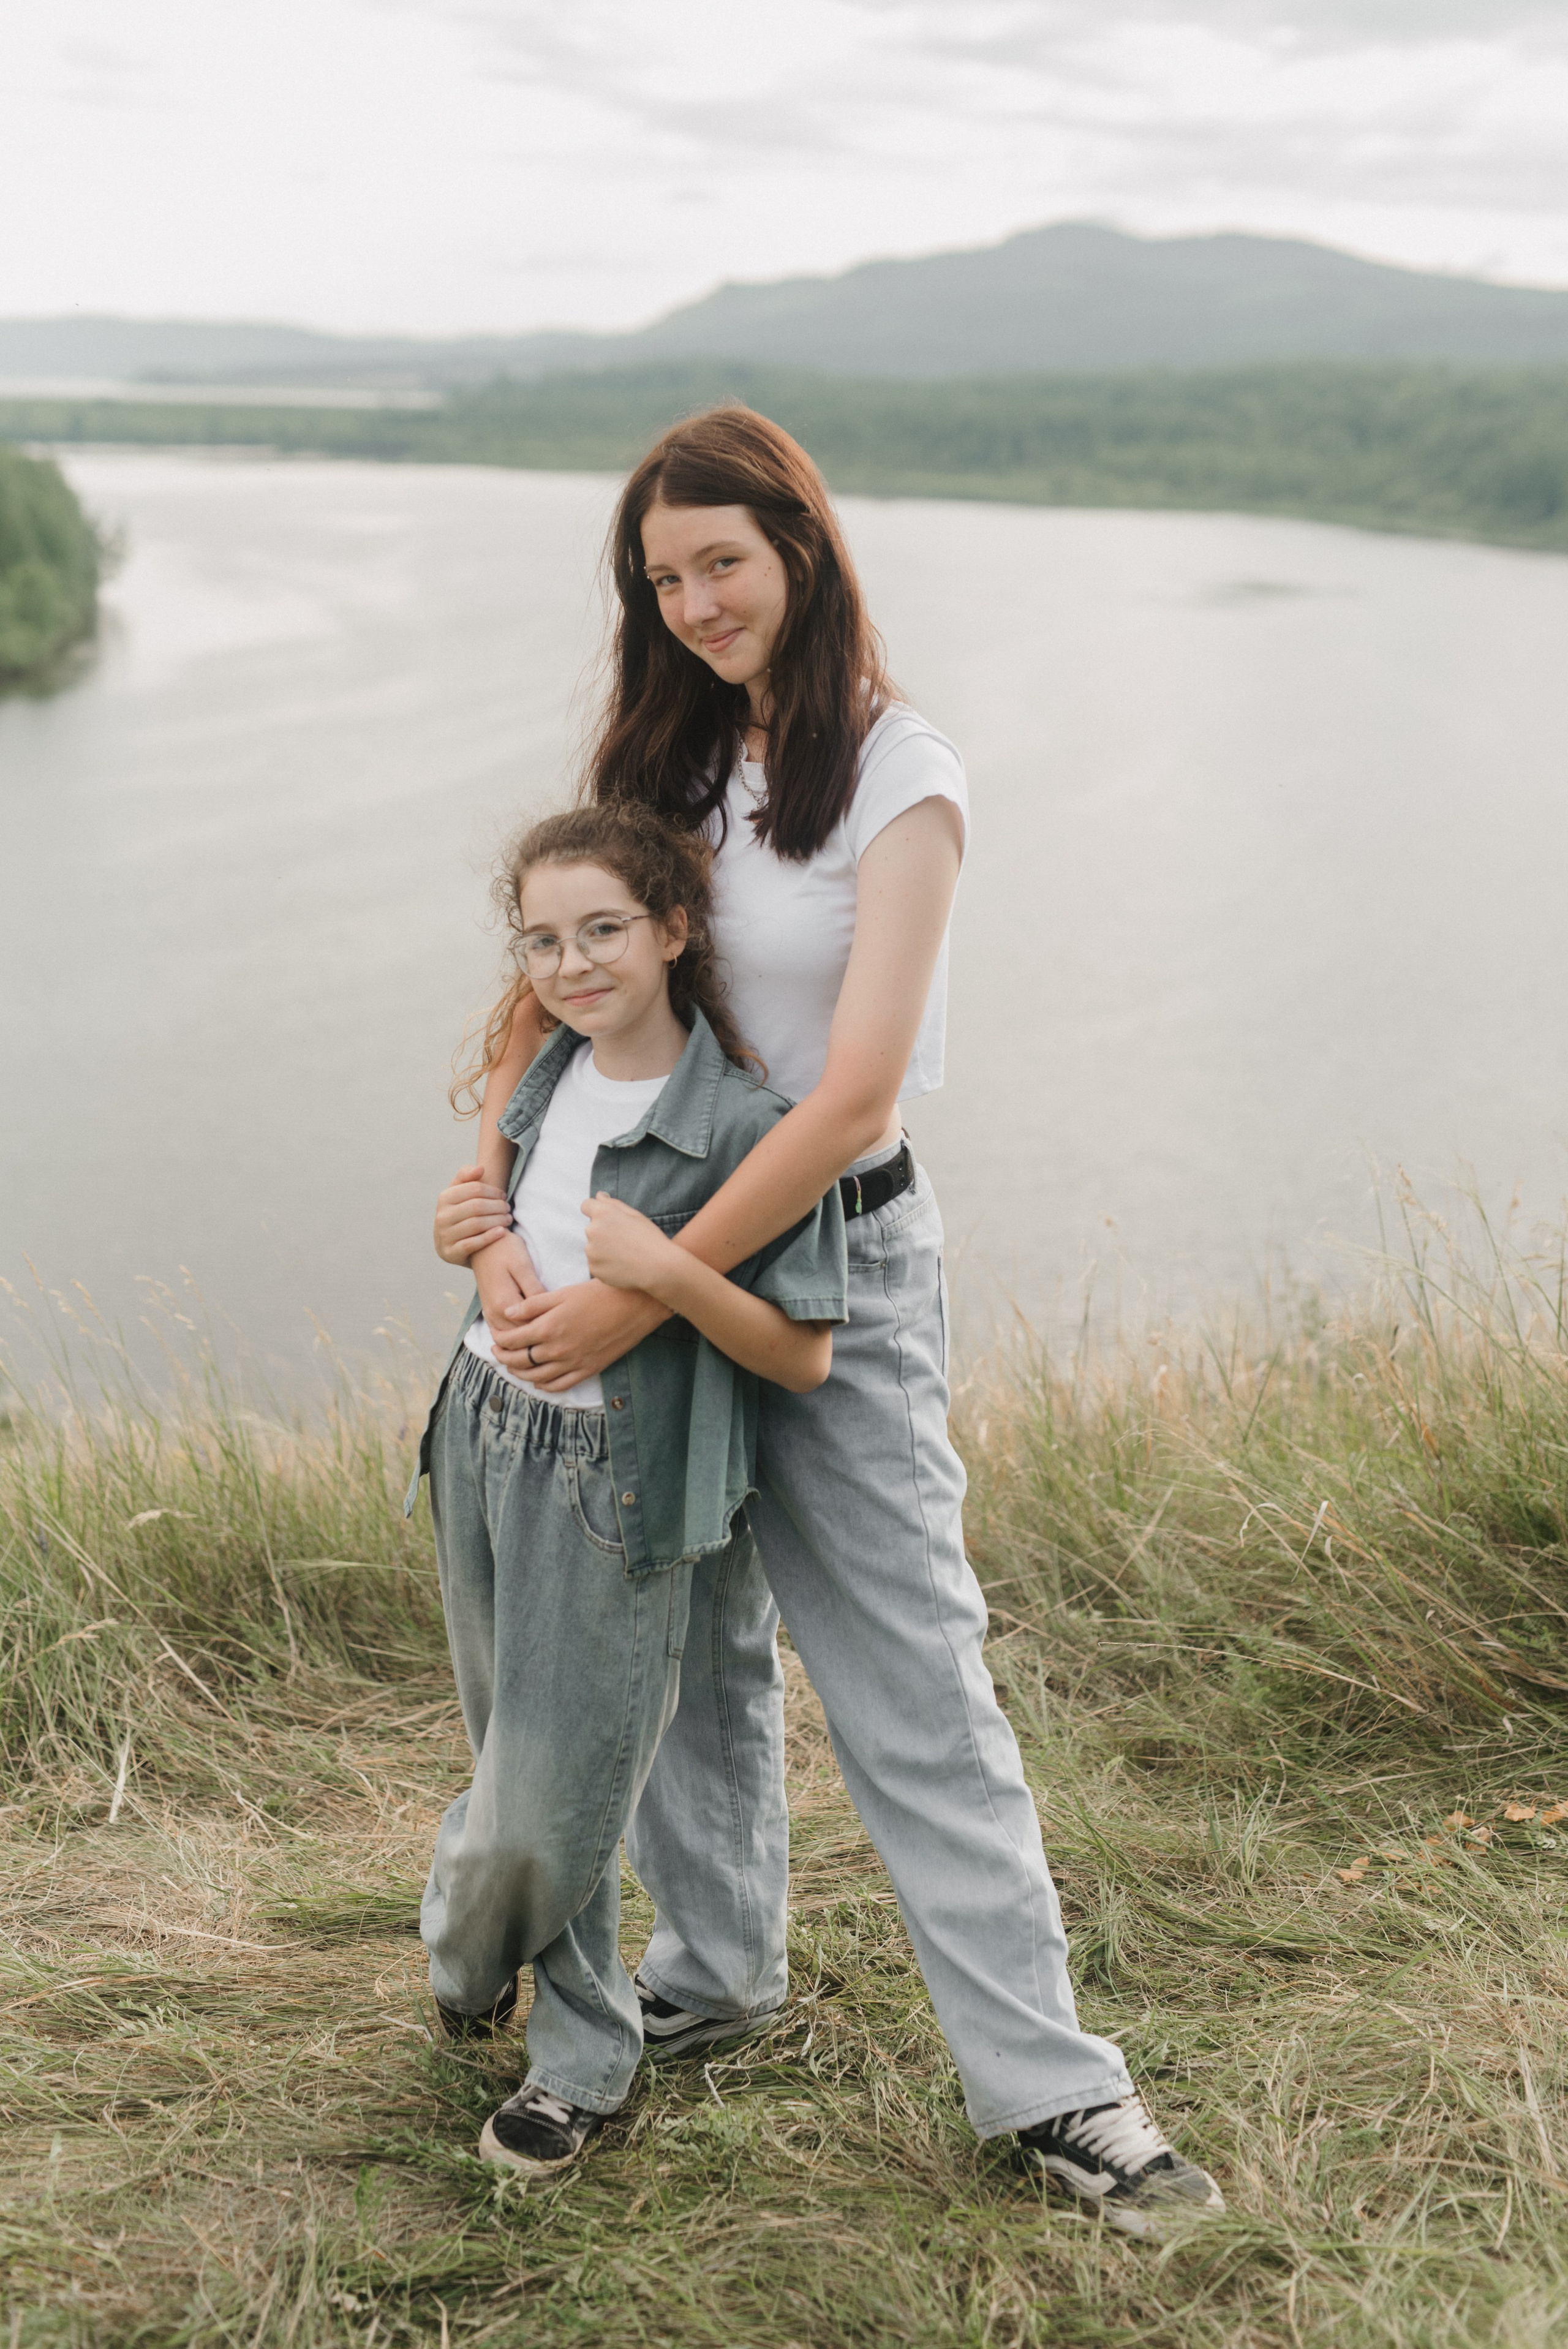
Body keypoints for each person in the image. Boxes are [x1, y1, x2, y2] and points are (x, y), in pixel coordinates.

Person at [434, 408, 1224, 2237]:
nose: (696, 603)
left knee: (911, 1669)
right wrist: (495, 1217)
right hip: (635, 1254)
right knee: (681, 1641)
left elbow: (854, 1091)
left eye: (722, 561)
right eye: (663, 578)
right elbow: (546, 992)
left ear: (800, 544)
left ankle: (1056, 2085)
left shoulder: (897, 770)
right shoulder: (660, 754)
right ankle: (716, 1971)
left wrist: (652, 1280)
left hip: (824, 1261)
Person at [411, 801, 846, 2176]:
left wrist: (667, 1274)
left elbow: (802, 1354)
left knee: (561, 1791)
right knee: (514, 1759)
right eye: (542, 941)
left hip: (619, 1480)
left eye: (602, 930)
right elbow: (496, 1220)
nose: (572, 964)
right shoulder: (542, 1073)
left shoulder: (748, 1127)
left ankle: (564, 2047)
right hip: (479, 1432)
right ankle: (503, 1958)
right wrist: (467, 1236)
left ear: (672, 928)